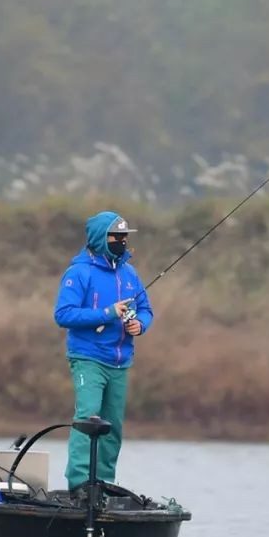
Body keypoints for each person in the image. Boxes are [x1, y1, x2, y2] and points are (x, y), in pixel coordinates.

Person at [53, 210, 153, 490]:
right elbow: (63, 314)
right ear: (100, 238)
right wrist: (107, 313)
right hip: (88, 358)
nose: (122, 241)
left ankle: (104, 484)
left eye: (125, 236)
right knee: (88, 417)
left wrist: (140, 325)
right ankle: (79, 484)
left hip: (120, 361)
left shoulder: (130, 273)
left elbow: (145, 309)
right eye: (116, 237)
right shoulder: (78, 273)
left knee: (113, 427)